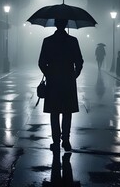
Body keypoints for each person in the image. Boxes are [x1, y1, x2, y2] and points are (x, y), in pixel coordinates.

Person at [38, 18, 84, 152]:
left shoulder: (48, 41)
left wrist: (49, 74)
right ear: (66, 24)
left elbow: (41, 62)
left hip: (53, 81)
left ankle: (56, 141)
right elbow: (79, 61)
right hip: (68, 81)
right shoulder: (73, 41)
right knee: (67, 112)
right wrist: (74, 74)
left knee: (54, 112)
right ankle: (66, 140)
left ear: (55, 25)